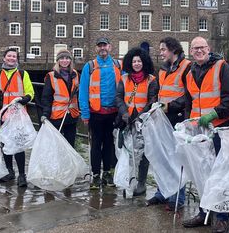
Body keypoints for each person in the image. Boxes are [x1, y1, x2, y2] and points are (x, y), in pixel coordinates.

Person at [182, 36, 229, 233]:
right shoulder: (190, 71)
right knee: (202, 172)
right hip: (199, 131)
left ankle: (221, 218)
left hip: (219, 129)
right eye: (195, 48)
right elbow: (190, 100)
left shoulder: (222, 67)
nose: (198, 51)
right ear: (191, 51)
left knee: (220, 174)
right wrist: (188, 121)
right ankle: (204, 212)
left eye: (202, 47)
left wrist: (215, 113)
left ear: (208, 48)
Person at [146, 37, 191, 210]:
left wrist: (170, 106)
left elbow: (188, 95)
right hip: (163, 118)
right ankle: (162, 192)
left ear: (173, 50)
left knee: (177, 159)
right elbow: (160, 92)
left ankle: (177, 198)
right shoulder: (163, 70)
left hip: (178, 118)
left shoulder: (187, 67)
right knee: (162, 156)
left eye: (163, 49)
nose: (161, 52)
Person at [0, 48, 35, 188]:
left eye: (14, 56)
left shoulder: (22, 74)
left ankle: (22, 175)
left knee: (19, 145)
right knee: (5, 144)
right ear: (4, 58)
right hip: (1, 115)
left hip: (17, 115)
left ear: (17, 59)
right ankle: (10, 172)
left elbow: (30, 91)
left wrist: (25, 98)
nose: (11, 58)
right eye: (9, 56)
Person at [79, 37, 122, 189]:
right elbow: (83, 91)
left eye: (105, 45)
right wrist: (85, 113)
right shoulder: (89, 67)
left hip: (113, 113)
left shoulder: (118, 65)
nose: (102, 48)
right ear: (96, 48)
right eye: (100, 46)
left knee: (110, 144)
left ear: (110, 47)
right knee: (96, 144)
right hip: (95, 113)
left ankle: (108, 173)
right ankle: (96, 175)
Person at [115, 47, 159, 197]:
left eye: (139, 61)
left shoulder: (151, 80)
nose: (136, 63)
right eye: (134, 61)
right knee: (126, 150)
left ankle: (141, 183)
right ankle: (127, 179)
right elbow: (119, 97)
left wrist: (141, 116)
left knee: (144, 153)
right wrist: (124, 113)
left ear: (144, 62)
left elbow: (152, 99)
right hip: (126, 120)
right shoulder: (124, 78)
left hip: (143, 121)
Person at [39, 50, 80, 147]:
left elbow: (80, 93)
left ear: (70, 60)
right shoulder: (52, 76)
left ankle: (68, 162)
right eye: (62, 58)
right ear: (57, 60)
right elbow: (46, 97)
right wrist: (45, 113)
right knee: (56, 144)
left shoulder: (75, 74)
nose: (64, 61)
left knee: (70, 144)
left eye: (67, 58)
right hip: (57, 115)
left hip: (72, 115)